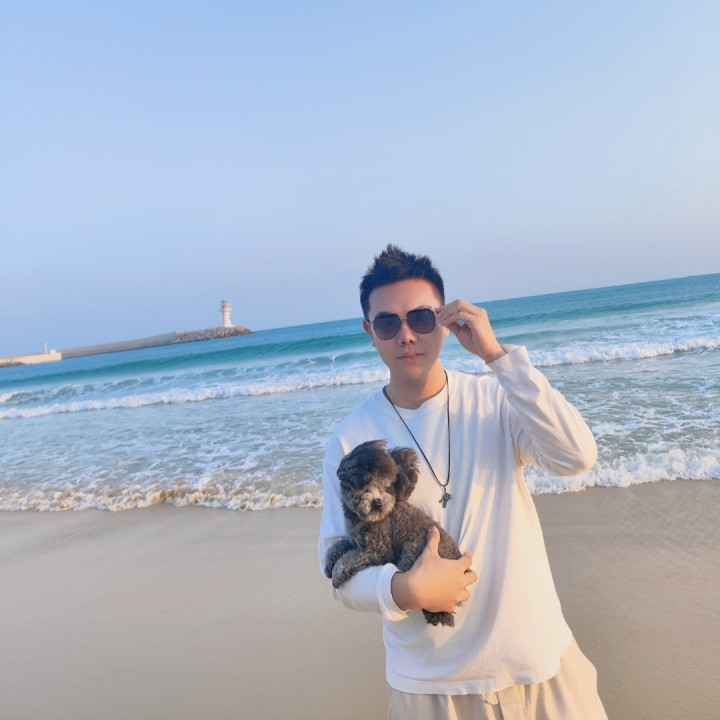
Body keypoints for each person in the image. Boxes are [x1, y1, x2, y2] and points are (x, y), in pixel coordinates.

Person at [318, 245, 608, 719]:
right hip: (429, 688)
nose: (406, 335)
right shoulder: (352, 438)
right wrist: (405, 590)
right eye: (388, 323)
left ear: (444, 319)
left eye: (420, 318)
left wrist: (498, 357)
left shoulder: (496, 399)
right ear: (370, 332)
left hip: (538, 664)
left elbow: (575, 456)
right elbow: (337, 569)